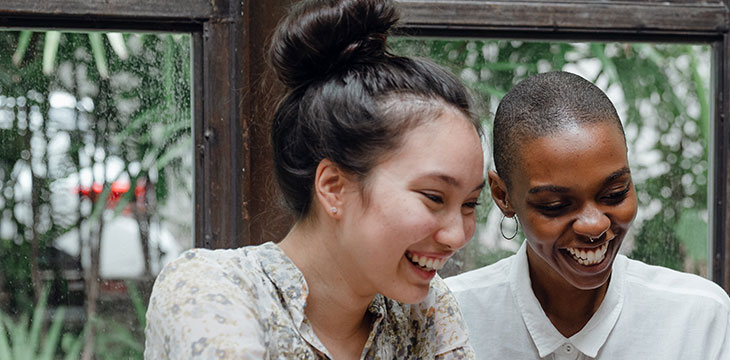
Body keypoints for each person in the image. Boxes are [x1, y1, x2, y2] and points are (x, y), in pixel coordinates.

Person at [144, 0, 484, 358]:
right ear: (333, 187)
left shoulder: (422, 309)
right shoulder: (211, 289)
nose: (457, 236)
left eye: (470, 204)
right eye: (434, 196)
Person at [445, 71, 730, 359]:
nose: (595, 224)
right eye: (555, 205)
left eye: (615, 194)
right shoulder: (449, 315)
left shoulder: (698, 317)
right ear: (502, 195)